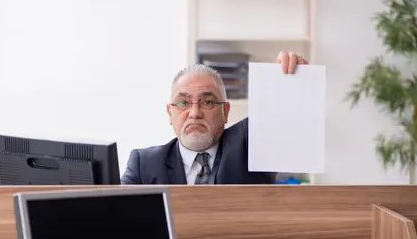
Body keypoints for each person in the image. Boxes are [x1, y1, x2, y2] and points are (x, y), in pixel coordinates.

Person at [120, 51, 308, 185]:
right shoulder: (143, 165)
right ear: (170, 113)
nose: (194, 113)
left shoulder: (251, 144)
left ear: (225, 112)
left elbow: (282, 116)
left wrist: (292, 80)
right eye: (184, 103)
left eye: (208, 102)